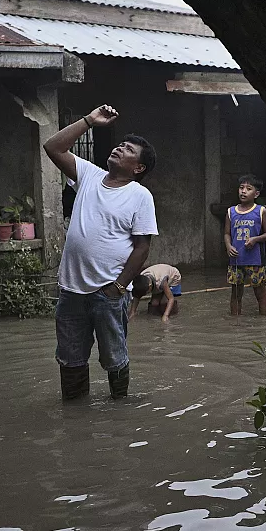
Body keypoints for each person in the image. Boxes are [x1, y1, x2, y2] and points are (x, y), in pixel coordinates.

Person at [43, 104, 158, 399]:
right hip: (71, 290)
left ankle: (119, 413)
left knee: (114, 358)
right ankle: (75, 414)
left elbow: (142, 247)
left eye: (128, 149)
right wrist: (89, 121)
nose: (119, 148)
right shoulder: (89, 176)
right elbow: (52, 146)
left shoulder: (139, 195)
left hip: (108, 292)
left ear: (138, 167)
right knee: (70, 358)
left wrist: (119, 287)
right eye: (120, 144)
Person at [225, 175, 266, 317]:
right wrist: (228, 246)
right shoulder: (231, 212)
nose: (243, 191)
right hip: (236, 260)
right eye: (241, 188)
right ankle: (235, 324)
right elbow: (227, 233)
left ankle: (265, 322)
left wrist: (255, 239)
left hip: (255, 260)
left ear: (256, 194)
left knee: (260, 293)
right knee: (235, 294)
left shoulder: (261, 211)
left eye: (248, 189)